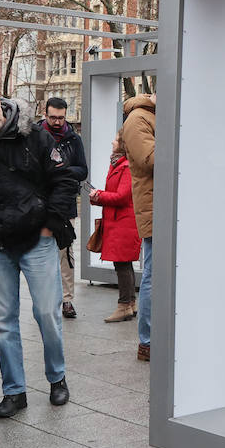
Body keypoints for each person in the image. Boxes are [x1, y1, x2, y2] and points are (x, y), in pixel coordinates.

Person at [0, 85, 77, 419]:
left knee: (47, 314)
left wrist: (48, 225)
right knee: (3, 322)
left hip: (37, 239)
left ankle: (57, 378)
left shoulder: (36, 136)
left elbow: (64, 181)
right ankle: (14, 390)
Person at [39, 97, 87, 319]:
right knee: (39, 253)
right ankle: (45, 298)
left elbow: (83, 170)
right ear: (45, 113)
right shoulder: (35, 135)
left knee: (65, 253)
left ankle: (67, 299)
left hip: (65, 204)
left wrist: (64, 170)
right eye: (53, 117)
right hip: (39, 203)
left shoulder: (73, 139)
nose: (57, 122)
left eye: (61, 117)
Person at [88, 131, 140, 324]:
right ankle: (131, 304)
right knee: (124, 264)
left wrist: (99, 195)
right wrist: (98, 197)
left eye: (116, 139)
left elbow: (122, 197)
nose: (112, 141)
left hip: (123, 223)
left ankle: (124, 305)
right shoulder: (118, 164)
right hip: (119, 222)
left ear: (122, 144)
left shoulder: (126, 167)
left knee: (122, 265)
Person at [121, 93, 156, 362]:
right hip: (156, 210)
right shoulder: (137, 118)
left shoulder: (155, 116)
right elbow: (151, 159)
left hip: (169, 208)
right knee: (154, 278)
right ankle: (148, 341)